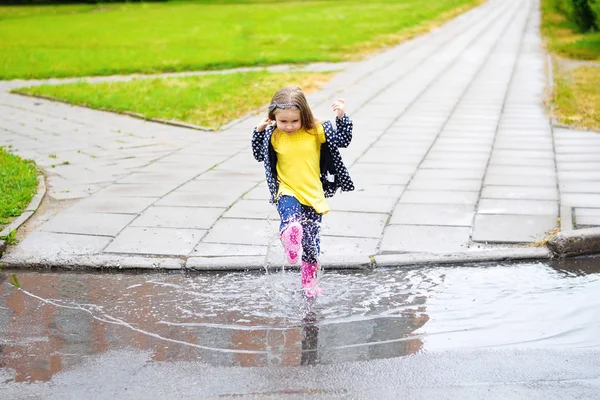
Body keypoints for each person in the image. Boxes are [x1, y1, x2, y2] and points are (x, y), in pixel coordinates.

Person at [251, 86, 354, 296]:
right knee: (292, 220)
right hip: (286, 190)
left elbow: (343, 140)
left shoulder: (316, 130)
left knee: (311, 245)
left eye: (294, 121)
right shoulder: (273, 134)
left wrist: (342, 116)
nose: (288, 126)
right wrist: (258, 131)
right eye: (283, 121)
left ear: (304, 115)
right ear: (274, 117)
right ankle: (289, 239)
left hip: (313, 195)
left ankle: (309, 284)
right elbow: (258, 155)